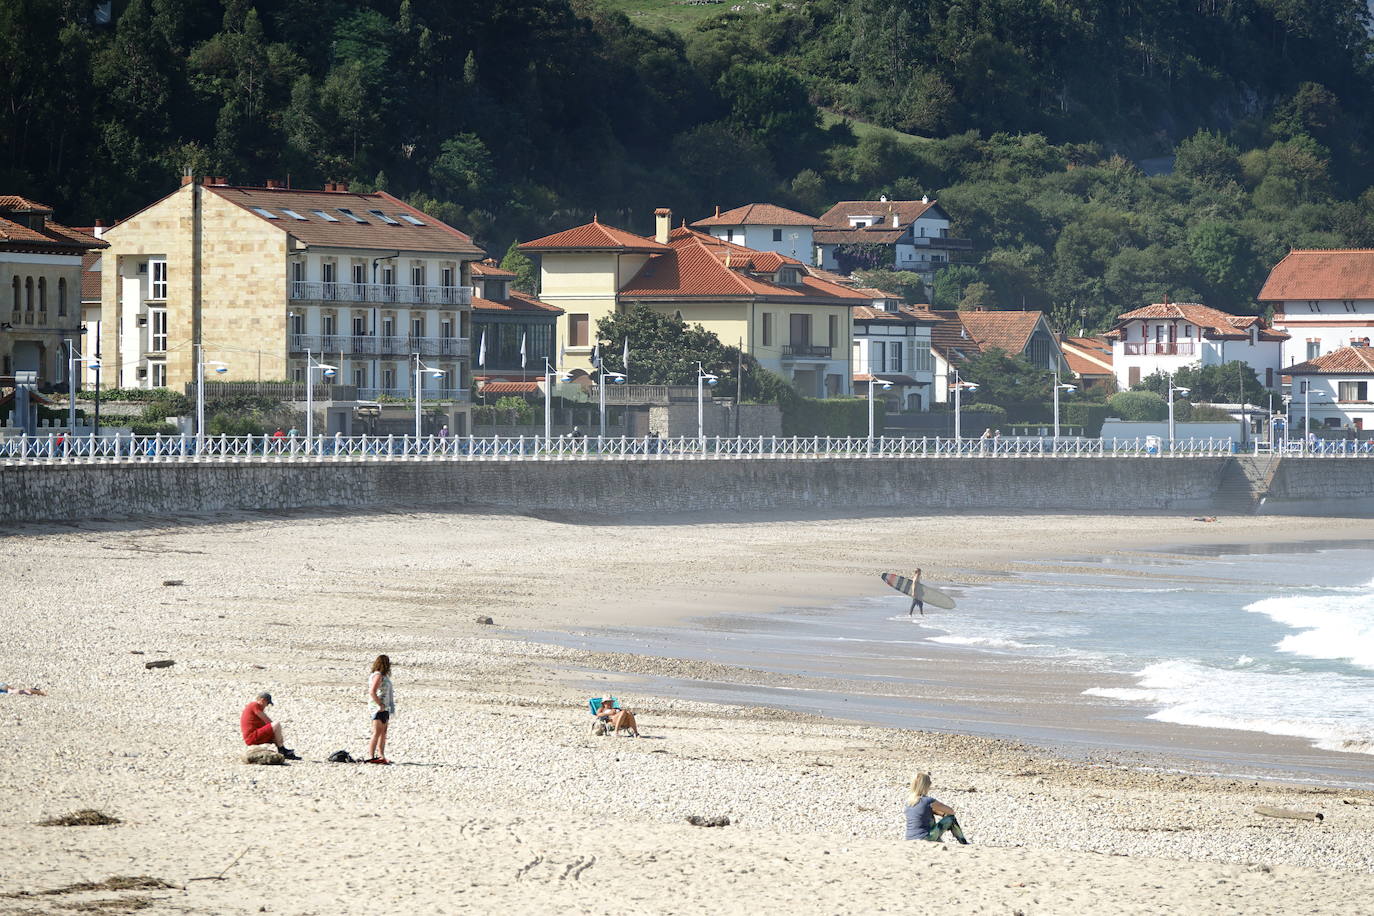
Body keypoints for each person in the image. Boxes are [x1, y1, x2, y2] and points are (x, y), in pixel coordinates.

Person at [904, 773, 969, 844]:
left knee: (930, 824)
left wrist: (934, 811)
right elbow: (951, 811)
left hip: (909, 838)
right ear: (925, 785)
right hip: (925, 837)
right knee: (951, 818)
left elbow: (922, 813)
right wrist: (942, 814)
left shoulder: (909, 803)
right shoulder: (928, 801)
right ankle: (964, 843)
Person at [239, 692, 300, 760]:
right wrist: (276, 730)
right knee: (276, 724)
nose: (266, 706)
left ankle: (284, 751)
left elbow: (265, 725)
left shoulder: (253, 707)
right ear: (262, 700)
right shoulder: (255, 705)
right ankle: (282, 750)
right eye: (267, 703)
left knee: (275, 733)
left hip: (252, 736)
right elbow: (267, 720)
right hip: (251, 737)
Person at [367, 655, 395, 764]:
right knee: (377, 732)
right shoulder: (377, 675)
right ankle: (371, 755)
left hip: (385, 707)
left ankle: (381, 755)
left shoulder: (384, 676)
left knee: (383, 732)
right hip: (377, 707)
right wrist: (380, 704)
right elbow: (372, 691)